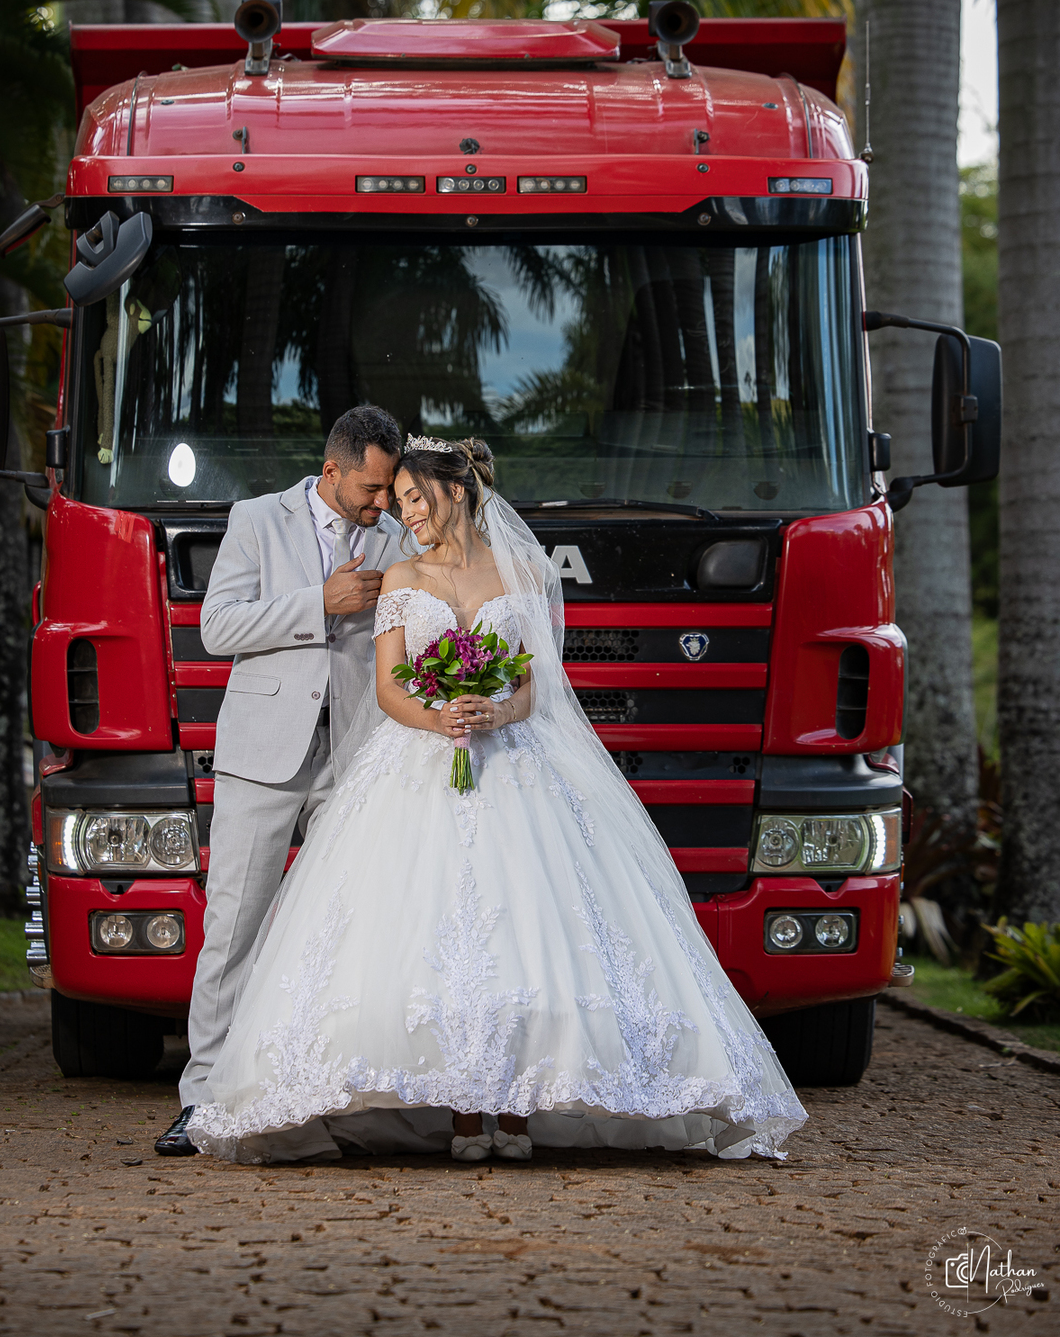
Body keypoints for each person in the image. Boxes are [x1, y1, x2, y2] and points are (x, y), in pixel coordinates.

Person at [187, 436, 807, 1166]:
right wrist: (438, 716)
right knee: (408, 929)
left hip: (515, 764)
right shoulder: (398, 573)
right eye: (395, 499)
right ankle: (447, 1113)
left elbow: (535, 687)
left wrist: (497, 711)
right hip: (412, 764)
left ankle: (517, 1113)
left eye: (412, 498)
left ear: (454, 491)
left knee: (524, 927)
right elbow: (388, 687)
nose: (402, 513)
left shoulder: (527, 572)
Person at [154, 405, 405, 1156]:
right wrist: (317, 603)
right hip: (263, 755)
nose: (382, 503)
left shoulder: (397, 536)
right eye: (371, 488)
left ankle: (320, 1094)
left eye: (390, 488)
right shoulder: (258, 520)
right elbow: (217, 627)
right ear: (331, 471)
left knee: (341, 932)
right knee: (233, 929)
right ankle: (203, 1099)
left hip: (356, 758)